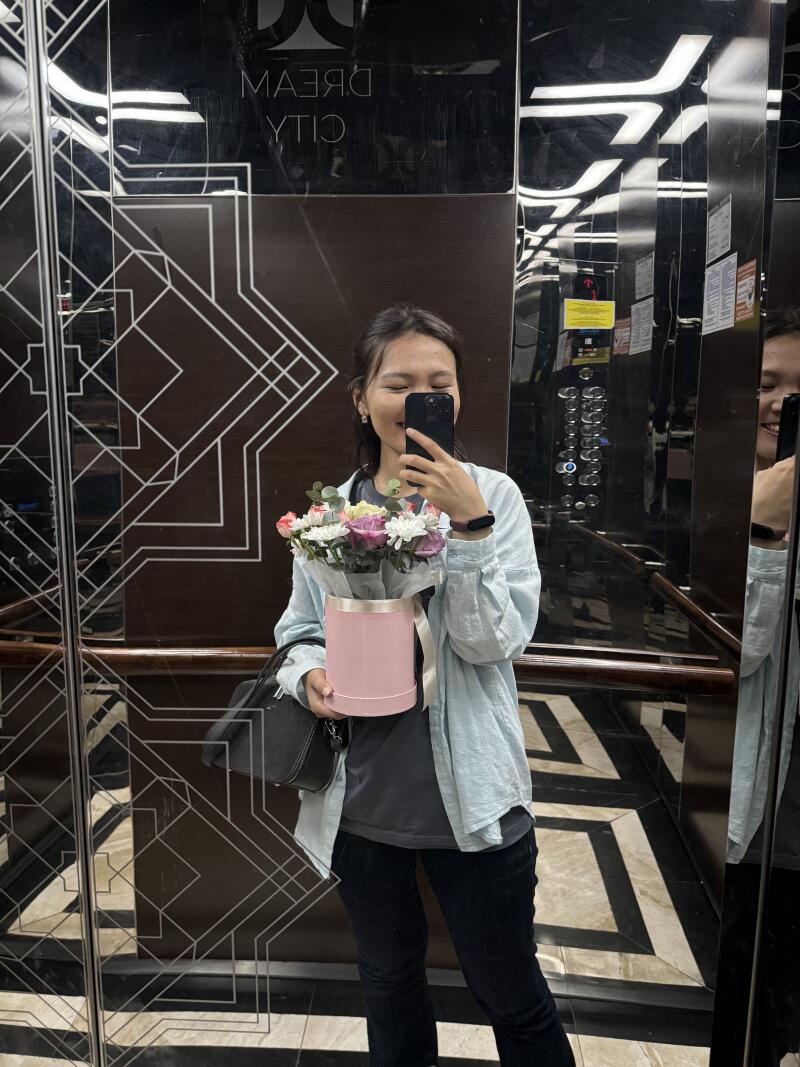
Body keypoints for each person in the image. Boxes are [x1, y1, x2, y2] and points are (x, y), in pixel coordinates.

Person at [274, 305, 575, 1067]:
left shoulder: (494, 498)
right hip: (362, 801)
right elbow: (298, 627)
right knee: (388, 982)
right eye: (398, 382)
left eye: (438, 384)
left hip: (472, 800)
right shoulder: (332, 513)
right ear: (361, 397)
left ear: (459, 396)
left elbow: (492, 641)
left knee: (511, 992)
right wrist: (307, 672)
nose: (418, 398)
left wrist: (468, 527)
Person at [712, 307, 800, 1065]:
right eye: (768, 384)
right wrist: (765, 534)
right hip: (769, 801)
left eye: (799, 392)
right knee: (753, 998)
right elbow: (734, 654)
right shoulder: (722, 506)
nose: (781, 404)